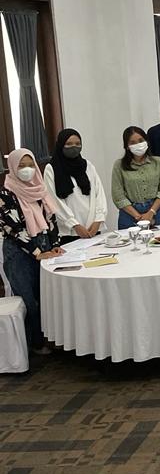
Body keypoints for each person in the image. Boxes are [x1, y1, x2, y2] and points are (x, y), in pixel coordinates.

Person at [1, 149, 64, 354]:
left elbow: (51, 218)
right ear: (12, 167)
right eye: (21, 166)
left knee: (46, 296)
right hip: (20, 253)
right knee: (29, 301)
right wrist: (37, 252)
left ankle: (49, 338)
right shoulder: (6, 194)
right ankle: (35, 343)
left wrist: (55, 244)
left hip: (44, 246)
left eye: (30, 165)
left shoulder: (40, 189)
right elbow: (13, 229)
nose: (27, 170)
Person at [43, 128, 108, 245]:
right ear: (60, 145)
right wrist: (74, 224)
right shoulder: (51, 168)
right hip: (70, 232)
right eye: (69, 144)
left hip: (93, 228)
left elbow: (99, 193)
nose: (74, 147)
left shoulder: (87, 165)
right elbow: (54, 200)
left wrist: (98, 220)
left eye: (78, 144)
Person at [111, 127, 160, 229]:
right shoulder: (119, 165)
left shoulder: (159, 162)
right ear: (127, 146)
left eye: (141, 141)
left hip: (155, 211)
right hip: (129, 214)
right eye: (132, 142)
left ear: (146, 141)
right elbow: (118, 196)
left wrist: (151, 212)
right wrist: (138, 216)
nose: (138, 144)